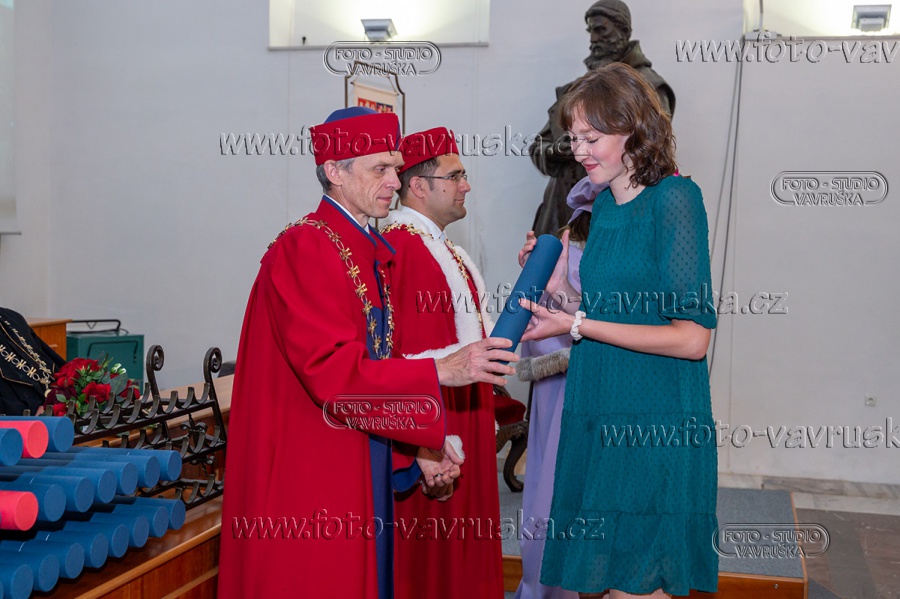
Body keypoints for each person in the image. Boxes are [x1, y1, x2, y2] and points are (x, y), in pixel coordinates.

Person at [217, 107, 518, 599]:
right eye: (380, 169)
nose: (394, 182)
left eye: (395, 168)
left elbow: (377, 368)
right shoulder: (306, 247)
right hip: (310, 467)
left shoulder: (365, 249)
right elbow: (334, 374)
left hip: (361, 453)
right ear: (334, 172)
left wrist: (416, 449)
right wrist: (441, 370)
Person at [519, 63, 717, 598]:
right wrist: (561, 291)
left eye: (592, 137)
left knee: (636, 586)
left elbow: (692, 338)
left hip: (652, 416)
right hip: (597, 405)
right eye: (573, 138)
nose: (579, 151)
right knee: (601, 584)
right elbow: (610, 312)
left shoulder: (675, 200)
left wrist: (578, 323)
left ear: (632, 128)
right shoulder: (603, 206)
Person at [380, 127, 504, 599]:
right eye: (455, 176)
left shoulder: (443, 247)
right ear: (418, 185)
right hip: (441, 426)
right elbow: (404, 358)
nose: (466, 185)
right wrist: (429, 442)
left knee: (465, 547)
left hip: (464, 412)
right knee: (437, 561)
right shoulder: (406, 248)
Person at [514, 177, 604, 599]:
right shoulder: (573, 248)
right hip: (571, 387)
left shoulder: (580, 251)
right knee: (557, 493)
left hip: (582, 385)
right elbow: (542, 332)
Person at [529, 0, 675, 238]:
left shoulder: (648, 87)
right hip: (562, 210)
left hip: (615, 214)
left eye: (601, 30)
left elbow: (652, 154)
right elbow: (539, 145)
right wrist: (557, 150)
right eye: (590, 31)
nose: (593, 39)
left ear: (623, 31)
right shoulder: (579, 91)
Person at [0, 307, 66, 415]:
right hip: (20, 417)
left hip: (53, 406)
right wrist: (31, 411)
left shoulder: (12, 318)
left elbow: (47, 360)